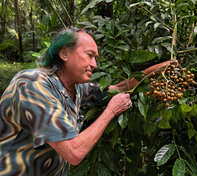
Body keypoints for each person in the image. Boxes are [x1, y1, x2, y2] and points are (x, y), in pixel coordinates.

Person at [0, 28, 176, 175]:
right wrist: (111, 111)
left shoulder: (75, 88)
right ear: (64, 53)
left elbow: (119, 88)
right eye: (90, 55)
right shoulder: (33, 84)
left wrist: (158, 70)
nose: (94, 65)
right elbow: (74, 152)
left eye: (96, 59)